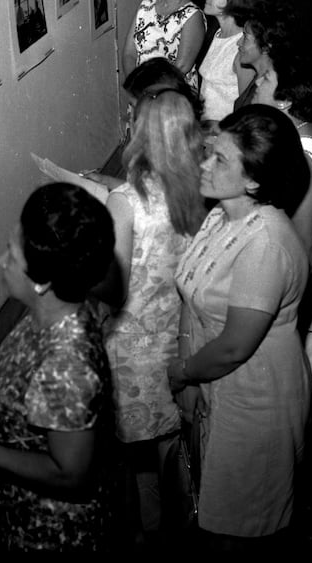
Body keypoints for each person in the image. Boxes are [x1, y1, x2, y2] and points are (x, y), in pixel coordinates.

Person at [166, 105, 312, 551]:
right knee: (212, 513)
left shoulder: (265, 242)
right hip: (217, 391)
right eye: (209, 152)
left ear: (253, 180)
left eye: (219, 159)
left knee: (241, 529)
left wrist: (185, 372)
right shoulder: (220, 216)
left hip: (256, 404)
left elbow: (234, 346)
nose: (205, 163)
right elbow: (191, 296)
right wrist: (192, 383)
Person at [0, 183, 117, 551]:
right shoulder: (48, 313)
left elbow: (71, 473)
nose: (1, 261)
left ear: (42, 282)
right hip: (20, 512)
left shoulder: (67, 362)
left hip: (52, 534)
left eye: (11, 254)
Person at [101, 88, 206, 545]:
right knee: (174, 443)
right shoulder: (200, 194)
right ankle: (180, 525)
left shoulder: (125, 200)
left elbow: (114, 286)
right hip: (183, 338)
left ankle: (142, 531)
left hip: (131, 345)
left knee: (129, 453)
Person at [253, 54, 312, 436]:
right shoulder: (305, 142)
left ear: (285, 101)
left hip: (305, 284)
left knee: (299, 394)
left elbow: (293, 238)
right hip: (310, 280)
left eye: (267, 76)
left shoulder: (302, 156)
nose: (258, 80)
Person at [122, 0, 206, 93]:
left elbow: (181, 67)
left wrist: (152, 90)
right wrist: (135, 84)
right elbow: (129, 53)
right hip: (140, 91)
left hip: (173, 94)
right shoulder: (145, 6)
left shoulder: (192, 16)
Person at [197, 0, 260, 128]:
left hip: (227, 134)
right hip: (206, 132)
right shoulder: (216, 33)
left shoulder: (242, 48)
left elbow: (247, 109)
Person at [233, 2, 301, 110]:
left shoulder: (272, 90)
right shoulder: (257, 77)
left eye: (245, 37)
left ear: (265, 46)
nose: (239, 43)